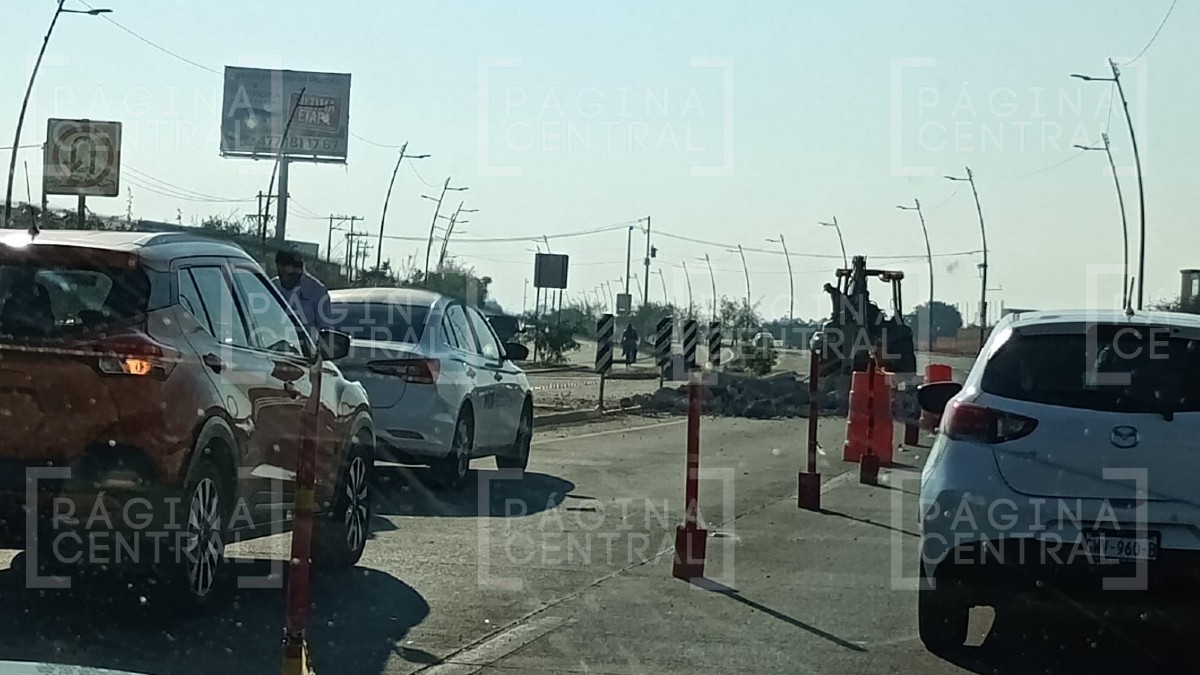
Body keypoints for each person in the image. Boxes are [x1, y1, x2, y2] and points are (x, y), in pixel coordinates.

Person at [271, 249, 331, 338]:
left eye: (291, 274)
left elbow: (326, 328)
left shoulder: (317, 291)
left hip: (305, 347)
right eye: (281, 273)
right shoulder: (272, 287)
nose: (285, 278)